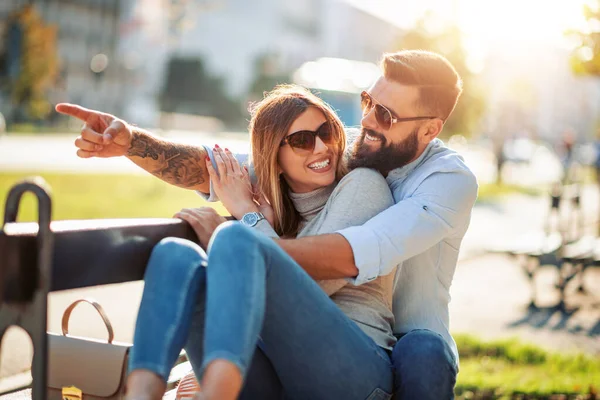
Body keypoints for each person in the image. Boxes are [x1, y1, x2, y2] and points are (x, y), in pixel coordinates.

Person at [57, 49, 478, 399]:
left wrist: (247, 223)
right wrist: (130, 142)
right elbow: (211, 169)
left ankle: (218, 389)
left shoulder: (432, 181)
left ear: (428, 130)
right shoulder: (348, 148)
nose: (364, 122)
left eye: (384, 114)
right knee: (175, 253)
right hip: (283, 358)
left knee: (424, 355)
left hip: (377, 355)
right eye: (367, 102)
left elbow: (353, 255)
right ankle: (142, 392)